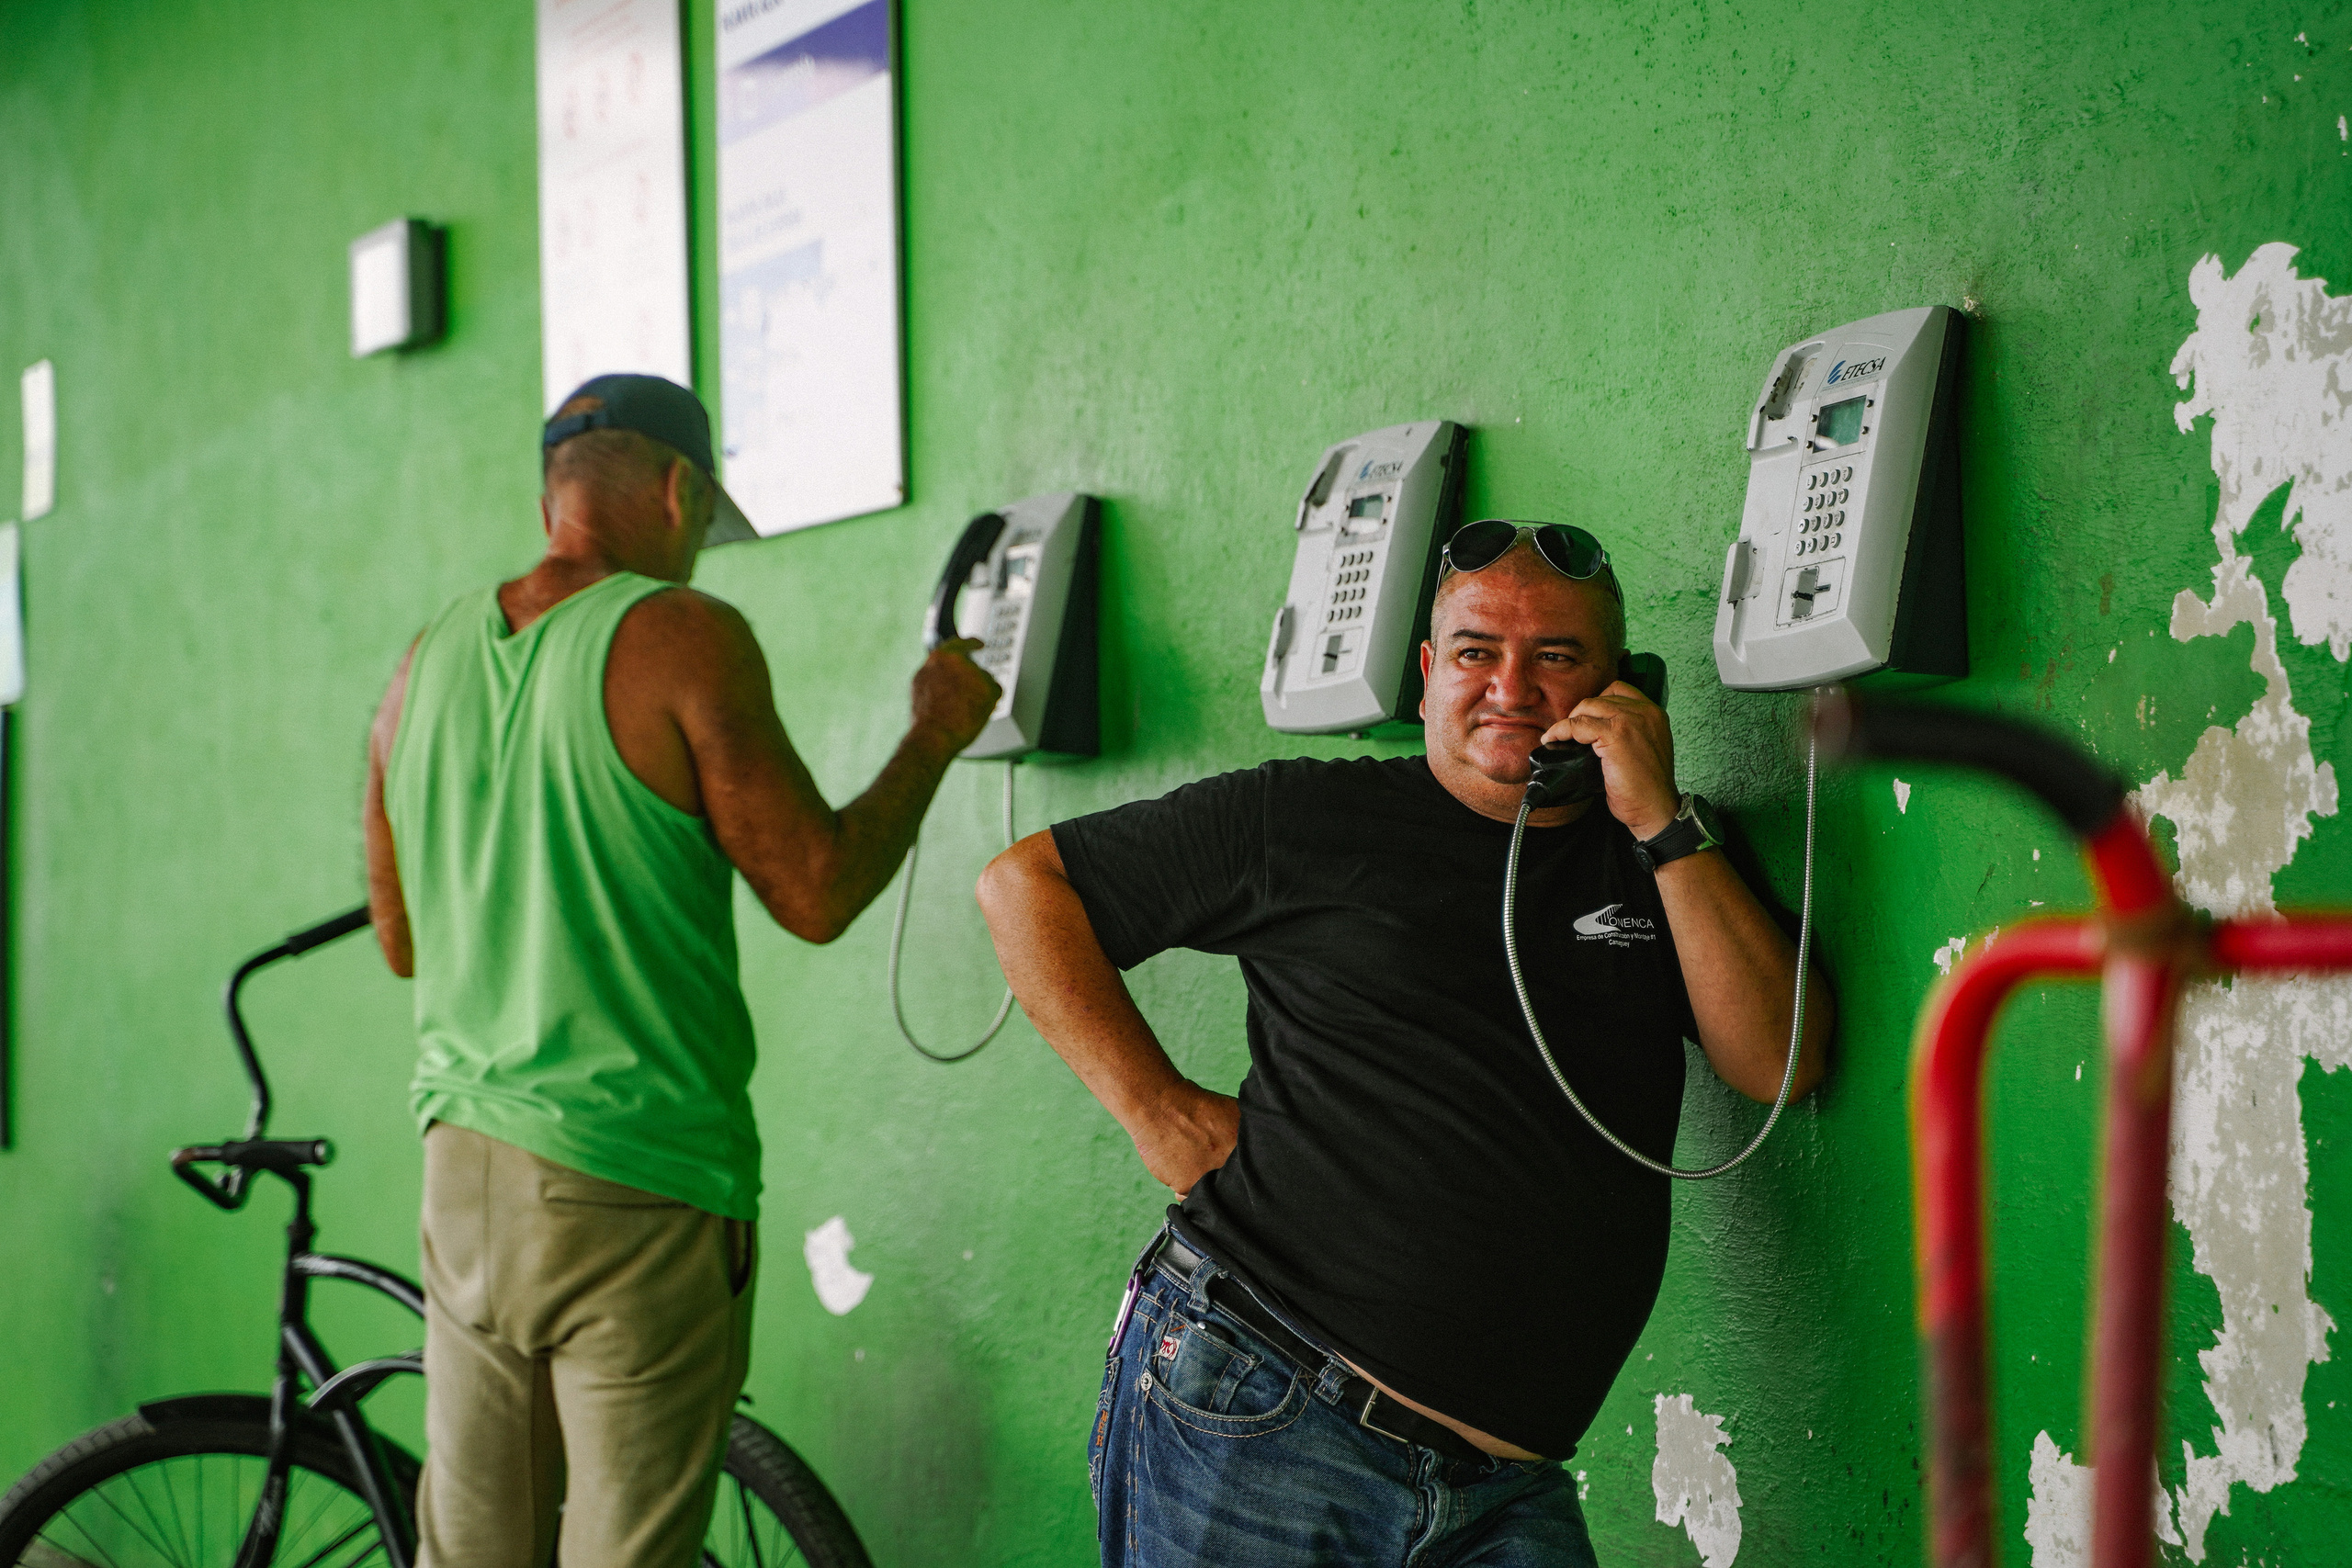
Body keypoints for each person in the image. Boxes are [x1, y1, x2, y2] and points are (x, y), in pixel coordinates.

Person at [977, 520, 1832, 1565]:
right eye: (1476, 652)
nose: (1510, 687)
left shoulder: (1665, 861)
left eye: (1555, 657)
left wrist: (1657, 822)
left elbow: (1776, 1061)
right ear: (1428, 673)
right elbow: (1026, 887)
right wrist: (1159, 1112)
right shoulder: (1308, 819)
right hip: (1271, 1405)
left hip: (1507, 1488)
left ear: (1625, 687)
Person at [362, 373, 1000, 1567]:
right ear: (679, 488)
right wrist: (934, 732)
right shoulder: (680, 634)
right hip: (635, 1181)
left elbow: (403, 939)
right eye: (704, 523)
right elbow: (814, 891)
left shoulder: (421, 664)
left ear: (551, 492)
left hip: (461, 1179)